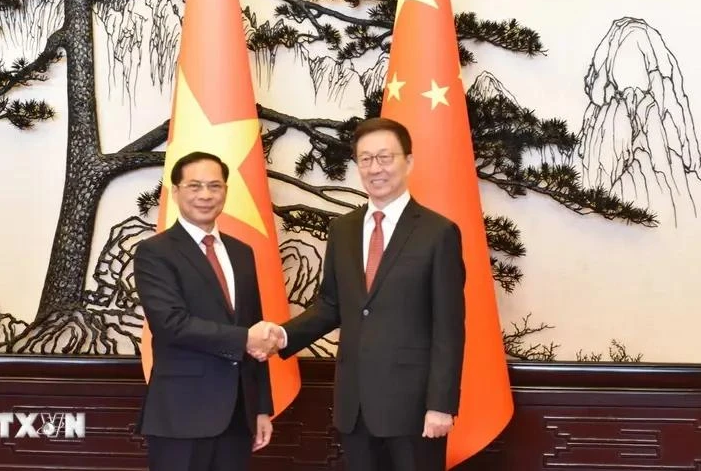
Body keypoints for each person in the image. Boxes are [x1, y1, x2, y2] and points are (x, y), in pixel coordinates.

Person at [275, 117, 466, 471]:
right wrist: (282, 335)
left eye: (384, 157)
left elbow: (449, 327)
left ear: (409, 162)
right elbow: (331, 305)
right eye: (365, 159)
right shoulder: (343, 229)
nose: (374, 168)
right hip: (355, 405)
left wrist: (441, 404)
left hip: (414, 410)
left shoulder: (439, 233)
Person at [134, 151, 280, 471]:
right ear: (175, 192)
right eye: (194, 186)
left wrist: (261, 408)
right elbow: (171, 323)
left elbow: (254, 329)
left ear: (225, 191)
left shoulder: (242, 253)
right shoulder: (154, 252)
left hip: (238, 416)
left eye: (215, 186)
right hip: (181, 414)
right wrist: (244, 337)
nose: (205, 195)